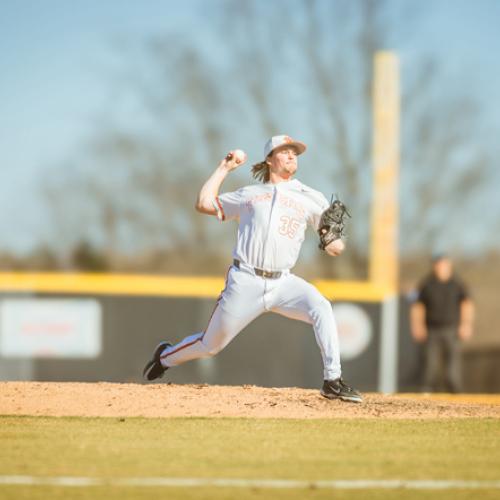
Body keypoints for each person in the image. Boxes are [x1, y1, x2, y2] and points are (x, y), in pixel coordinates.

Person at [143, 135, 362, 403]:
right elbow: (203, 203)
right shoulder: (249, 195)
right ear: (269, 160)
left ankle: (333, 380)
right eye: (284, 151)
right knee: (210, 346)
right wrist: (224, 168)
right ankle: (165, 357)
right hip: (245, 280)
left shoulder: (311, 197)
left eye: (295, 152)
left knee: (321, 307)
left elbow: (335, 247)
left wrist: (331, 238)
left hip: (284, 282)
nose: (292, 155)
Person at [410, 254, 474, 393]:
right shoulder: (427, 284)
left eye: (443, 264)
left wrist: (466, 324)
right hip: (431, 328)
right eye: (438, 265)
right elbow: (418, 306)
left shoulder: (457, 284)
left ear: (449, 265)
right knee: (429, 362)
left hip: (452, 329)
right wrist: (417, 326)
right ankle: (426, 389)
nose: (440, 268)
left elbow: (466, 305)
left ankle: (454, 390)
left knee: (453, 362)